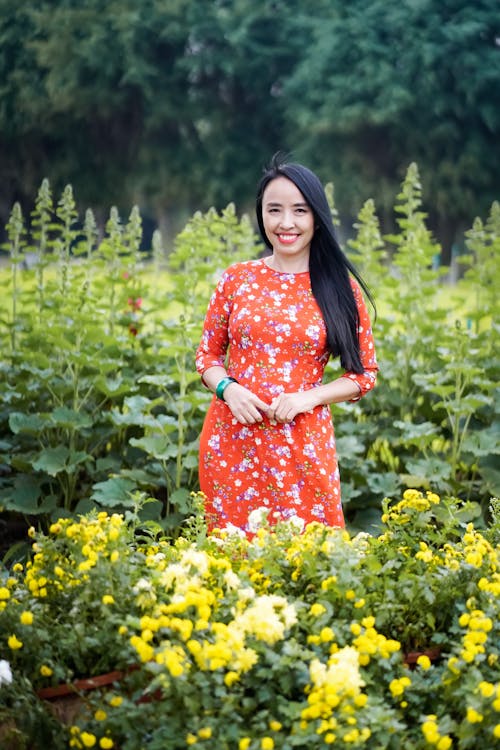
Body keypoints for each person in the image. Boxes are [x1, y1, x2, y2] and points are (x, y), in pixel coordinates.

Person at [195, 154, 378, 535]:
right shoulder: (237, 280)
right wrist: (229, 390)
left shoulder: (339, 288)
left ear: (317, 218)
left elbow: (363, 375)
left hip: (304, 447)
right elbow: (208, 356)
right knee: (231, 563)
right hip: (232, 443)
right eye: (274, 209)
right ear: (261, 215)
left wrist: (308, 398)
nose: (286, 223)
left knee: (311, 560)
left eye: (300, 210)